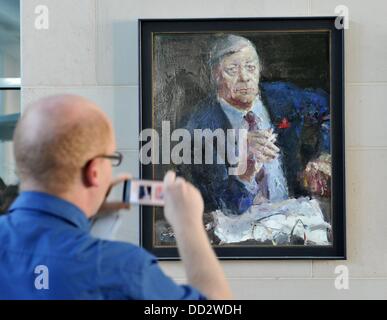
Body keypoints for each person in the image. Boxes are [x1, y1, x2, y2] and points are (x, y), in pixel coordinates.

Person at [0, 94, 232, 300]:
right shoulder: (124, 270)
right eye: (112, 159)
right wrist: (188, 223)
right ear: (93, 172)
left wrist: (89, 213)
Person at [179, 34, 331, 215]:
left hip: (294, 215)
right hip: (240, 231)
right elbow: (224, 206)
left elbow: (329, 107)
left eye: (250, 67)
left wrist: (324, 156)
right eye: (232, 70)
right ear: (215, 75)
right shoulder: (199, 128)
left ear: (259, 69)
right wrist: (244, 175)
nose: (244, 77)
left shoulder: (283, 97)